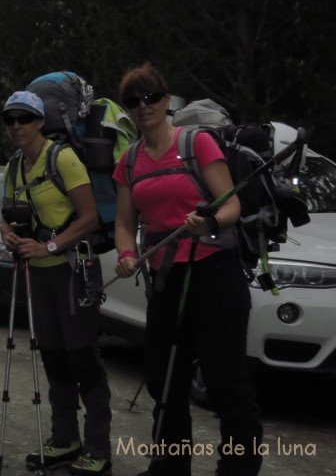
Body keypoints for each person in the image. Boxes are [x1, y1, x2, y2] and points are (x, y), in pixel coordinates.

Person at [112, 64, 261, 476]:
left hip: (214, 272)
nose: (144, 107)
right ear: (128, 109)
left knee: (225, 380)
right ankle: (170, 467)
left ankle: (238, 470)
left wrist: (210, 222)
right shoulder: (128, 162)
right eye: (134, 101)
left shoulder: (196, 144)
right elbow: (125, 223)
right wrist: (127, 254)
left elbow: (231, 203)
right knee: (164, 380)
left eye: (151, 97)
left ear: (165, 99)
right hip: (165, 278)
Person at [0, 90, 113, 476]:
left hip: (73, 270)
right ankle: (66, 439)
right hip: (40, 274)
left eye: (24, 118)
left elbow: (90, 218)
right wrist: (8, 236)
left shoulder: (62, 158)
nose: (17, 126)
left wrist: (48, 244)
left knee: (82, 356)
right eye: (10, 120)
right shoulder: (14, 166)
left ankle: (98, 448)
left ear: (39, 122)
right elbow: (6, 214)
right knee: (53, 355)